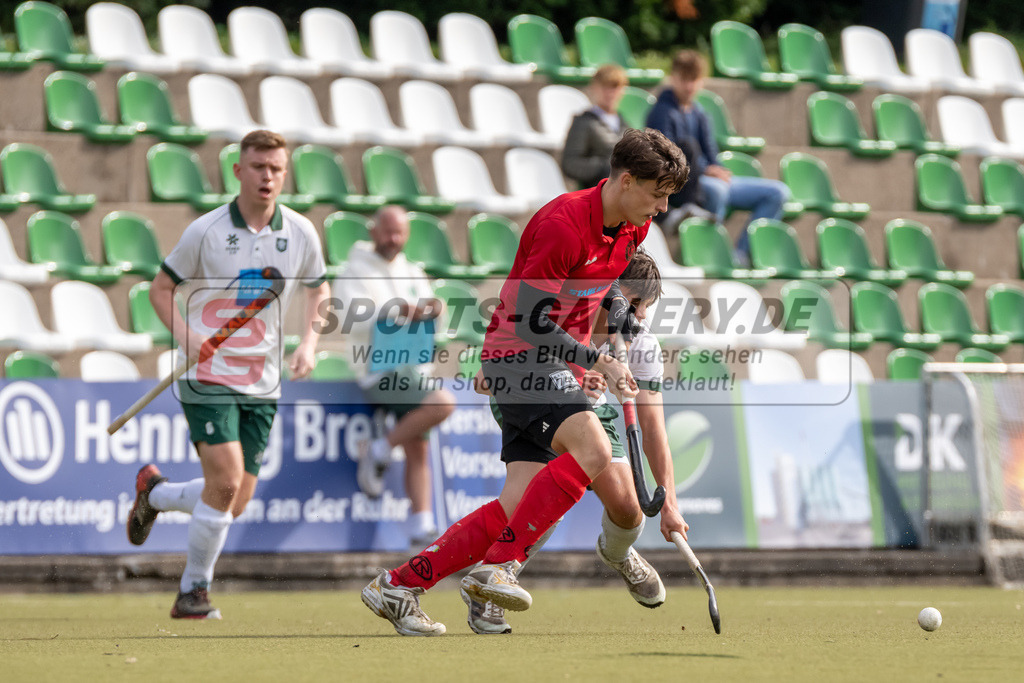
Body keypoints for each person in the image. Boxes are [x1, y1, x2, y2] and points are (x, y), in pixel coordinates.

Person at [360, 128, 689, 636]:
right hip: (520, 356)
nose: (663, 207)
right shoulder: (563, 223)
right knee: (594, 451)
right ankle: (499, 568)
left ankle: (398, 586)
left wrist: (618, 321)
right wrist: (595, 360)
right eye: (658, 194)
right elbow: (532, 321)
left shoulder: (632, 229)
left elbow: (601, 294)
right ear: (626, 181)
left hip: (557, 365)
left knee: (513, 508)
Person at [125, 129, 330, 619]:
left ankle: (155, 494)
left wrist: (310, 343)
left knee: (232, 500)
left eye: (276, 169)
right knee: (227, 478)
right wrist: (186, 338)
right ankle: (193, 592)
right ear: (238, 171)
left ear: (285, 174)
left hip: (263, 380)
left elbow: (319, 291)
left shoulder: (300, 232)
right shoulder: (206, 230)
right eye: (258, 167)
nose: (267, 177)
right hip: (207, 374)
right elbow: (159, 290)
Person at [463, 250, 689, 635]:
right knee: (541, 500)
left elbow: (653, 429)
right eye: (633, 304)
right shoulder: (559, 317)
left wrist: (669, 504)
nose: (641, 317)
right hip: (533, 401)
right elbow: (488, 377)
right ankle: (495, 578)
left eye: (645, 307)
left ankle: (617, 553)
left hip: (591, 411)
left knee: (629, 510)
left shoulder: (642, 344)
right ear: (606, 292)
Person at [332, 205, 455, 547]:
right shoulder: (354, 271)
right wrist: (394, 311)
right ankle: (380, 449)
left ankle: (422, 524)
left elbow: (435, 320)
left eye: (400, 232)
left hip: (412, 364)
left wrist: (434, 310)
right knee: (442, 403)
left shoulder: (412, 271)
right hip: (377, 367)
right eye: (388, 231)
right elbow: (348, 319)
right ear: (372, 230)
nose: (394, 238)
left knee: (418, 446)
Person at [645, 49, 790, 261]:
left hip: (710, 177)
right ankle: (710, 254)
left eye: (694, 80)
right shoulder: (661, 112)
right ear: (673, 78)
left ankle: (740, 255)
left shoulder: (700, 112)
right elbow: (667, 158)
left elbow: (712, 154)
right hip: (686, 183)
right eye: (684, 79)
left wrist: (717, 169)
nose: (689, 86)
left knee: (778, 192)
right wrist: (706, 170)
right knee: (718, 190)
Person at [563, 64, 707, 220]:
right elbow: (570, 163)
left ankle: (689, 207)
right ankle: (669, 216)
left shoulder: (623, 122)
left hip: (631, 180)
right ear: (594, 88)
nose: (610, 93)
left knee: (684, 149)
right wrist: (605, 165)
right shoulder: (583, 122)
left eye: (615, 87)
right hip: (607, 186)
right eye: (605, 87)